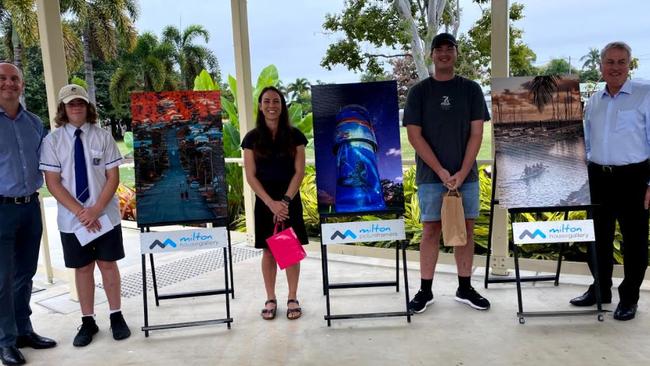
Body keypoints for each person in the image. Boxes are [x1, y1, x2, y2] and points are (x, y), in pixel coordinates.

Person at [403, 33, 491, 313]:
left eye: (449, 49)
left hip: (467, 177)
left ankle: (465, 287)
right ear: (431, 55)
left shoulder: (471, 90)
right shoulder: (419, 91)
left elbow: (477, 134)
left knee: (464, 231)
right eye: (438, 49)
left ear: (456, 53)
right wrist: (441, 170)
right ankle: (425, 291)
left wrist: (463, 172)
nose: (444, 53)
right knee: (431, 230)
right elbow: (414, 136)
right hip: (431, 178)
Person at [39, 84, 131, 345]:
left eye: (80, 102)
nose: (76, 107)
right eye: (70, 103)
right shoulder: (52, 141)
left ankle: (116, 315)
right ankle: (88, 321)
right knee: (82, 269)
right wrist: (82, 212)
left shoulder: (102, 137)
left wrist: (96, 209)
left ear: (87, 106)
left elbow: (113, 177)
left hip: (105, 217)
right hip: (73, 220)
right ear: (63, 109)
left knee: (108, 266)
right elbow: (53, 182)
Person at [569, 41, 650, 321]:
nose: (615, 67)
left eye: (621, 62)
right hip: (598, 177)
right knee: (598, 239)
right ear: (601, 66)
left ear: (630, 64)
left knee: (634, 242)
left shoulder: (645, 94)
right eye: (610, 62)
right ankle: (600, 290)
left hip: (634, 178)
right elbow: (588, 141)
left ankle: (629, 299)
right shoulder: (594, 100)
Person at [0, 62, 57, 366]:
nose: (9, 84)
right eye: (3, 79)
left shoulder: (33, 123)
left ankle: (24, 330)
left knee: (25, 274)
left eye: (14, 79)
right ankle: (5, 342)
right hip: (1, 210)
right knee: (2, 280)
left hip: (31, 208)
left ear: (22, 85)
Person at [241, 86, 309, 320]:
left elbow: (299, 172)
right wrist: (271, 203)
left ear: (282, 106)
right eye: (267, 101)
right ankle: (270, 298)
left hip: (289, 198)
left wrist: (285, 202)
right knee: (269, 251)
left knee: (289, 249)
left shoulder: (295, 136)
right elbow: (250, 175)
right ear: (260, 106)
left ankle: (292, 297)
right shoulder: (251, 139)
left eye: (276, 101)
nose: (272, 105)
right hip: (265, 201)